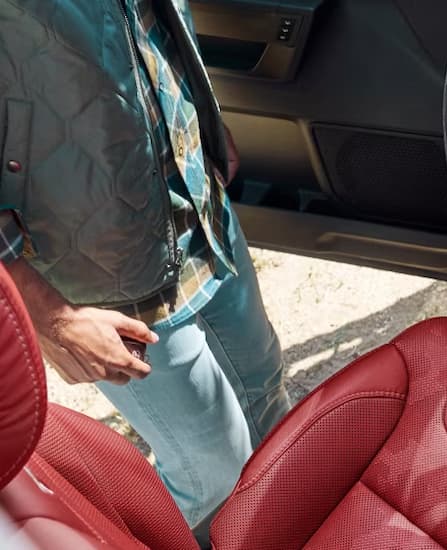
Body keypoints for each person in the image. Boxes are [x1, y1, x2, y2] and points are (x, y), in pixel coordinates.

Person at [0, 0, 289, 528]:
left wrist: (199, 114)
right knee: (213, 471)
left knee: (267, 397)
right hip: (88, 257)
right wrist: (50, 317)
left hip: (193, 198)